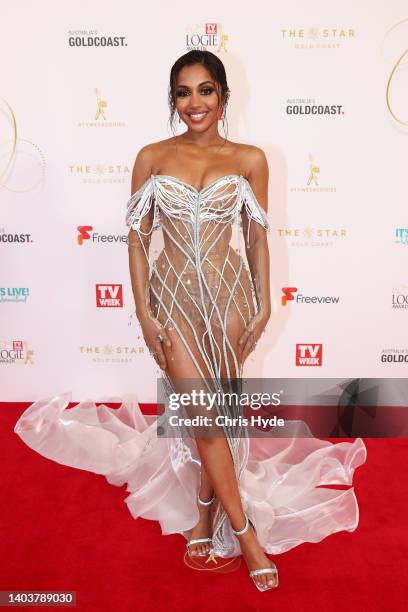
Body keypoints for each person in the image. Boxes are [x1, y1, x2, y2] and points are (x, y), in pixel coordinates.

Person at [14, 50, 367, 594]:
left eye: (205, 90)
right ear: (172, 99)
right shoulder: (152, 156)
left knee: (218, 416)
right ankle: (245, 533)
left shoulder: (250, 158)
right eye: (183, 92)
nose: (194, 102)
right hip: (173, 298)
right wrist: (143, 309)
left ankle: (205, 514)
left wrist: (263, 301)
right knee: (203, 417)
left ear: (224, 96)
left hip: (228, 298)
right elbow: (136, 238)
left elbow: (254, 235)